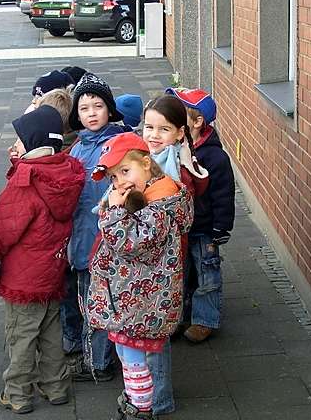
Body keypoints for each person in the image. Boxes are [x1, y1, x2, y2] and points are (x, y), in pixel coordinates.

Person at [86, 133, 194, 420]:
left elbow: (131, 243)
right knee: (128, 359)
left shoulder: (158, 206)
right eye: (112, 177)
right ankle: (136, 403)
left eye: (125, 171)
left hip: (140, 306)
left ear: (146, 164)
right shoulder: (145, 200)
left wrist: (113, 212)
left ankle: (141, 410)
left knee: (135, 365)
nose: (119, 182)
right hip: (131, 301)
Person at [0, 105, 85, 414]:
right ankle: (55, 386)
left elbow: (2, 229)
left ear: (32, 145)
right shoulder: (64, 173)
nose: (13, 146)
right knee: (51, 331)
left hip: (23, 277)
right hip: (52, 271)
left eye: (18, 141)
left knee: (21, 336)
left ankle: (17, 392)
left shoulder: (26, 182)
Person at [141, 93, 209, 415]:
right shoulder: (147, 160)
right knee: (144, 332)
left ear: (180, 133)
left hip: (165, 263)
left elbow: (168, 220)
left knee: (156, 336)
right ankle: (144, 393)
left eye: (163, 129)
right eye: (148, 127)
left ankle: (159, 400)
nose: (153, 135)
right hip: (143, 264)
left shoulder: (178, 171)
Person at [65, 72, 126, 381]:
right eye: (85, 108)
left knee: (99, 307)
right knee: (88, 304)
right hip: (81, 240)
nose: (91, 113)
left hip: (105, 242)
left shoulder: (116, 145)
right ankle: (97, 357)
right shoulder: (77, 147)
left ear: (110, 109)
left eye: (98, 106)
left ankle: (98, 364)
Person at [166, 87, 235, 343]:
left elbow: (224, 195)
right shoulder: (172, 149)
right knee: (180, 275)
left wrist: (221, 227)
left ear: (197, 122)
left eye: (179, 114)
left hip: (205, 228)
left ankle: (205, 319)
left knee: (207, 275)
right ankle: (180, 316)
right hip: (179, 228)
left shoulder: (215, 157)